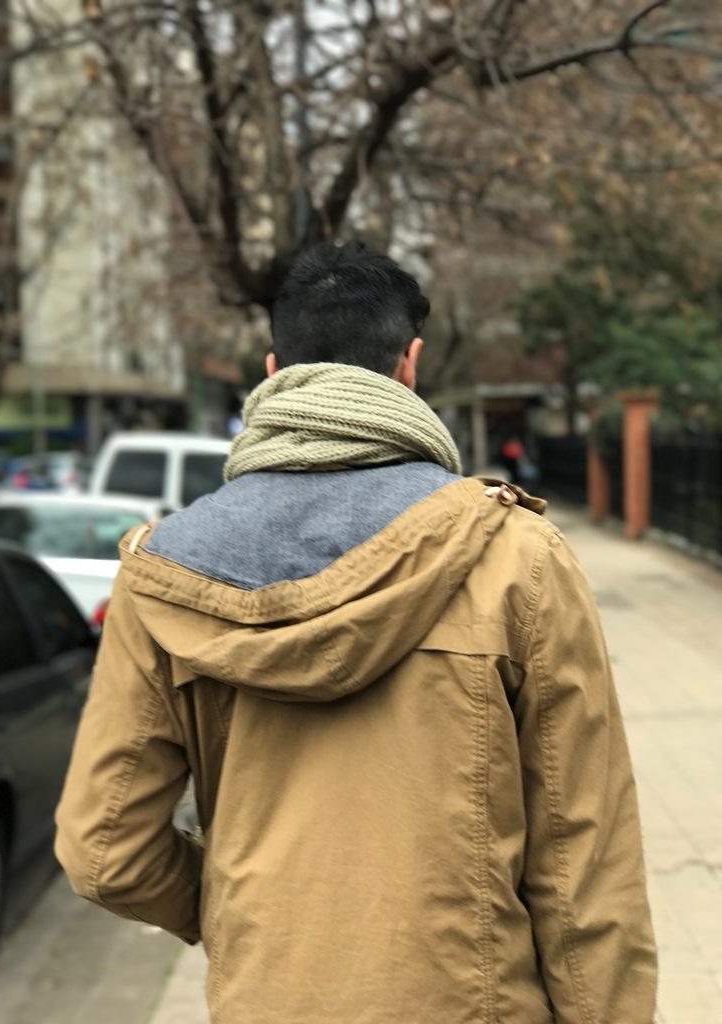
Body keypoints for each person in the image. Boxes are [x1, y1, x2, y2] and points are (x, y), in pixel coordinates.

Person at [55, 241, 657, 1024]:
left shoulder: (161, 576)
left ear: (274, 370)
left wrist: (249, 909)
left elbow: (105, 852)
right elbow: (584, 863)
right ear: (411, 366)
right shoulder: (517, 558)